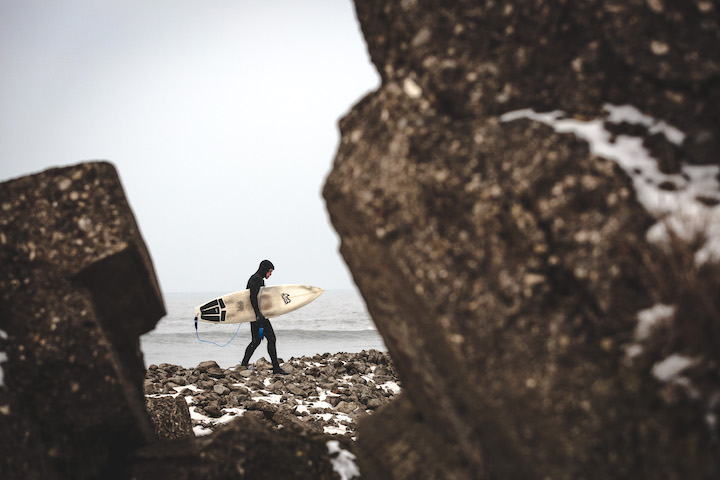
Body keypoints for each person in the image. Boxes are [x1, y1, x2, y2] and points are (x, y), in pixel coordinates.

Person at [240, 260, 287, 374]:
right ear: (265, 269)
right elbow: (252, 297)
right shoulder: (256, 279)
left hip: (256, 315)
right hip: (258, 315)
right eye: (270, 271)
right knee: (271, 339)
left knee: (256, 341)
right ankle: (276, 368)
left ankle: (243, 364)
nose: (270, 274)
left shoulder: (257, 278)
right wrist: (258, 314)